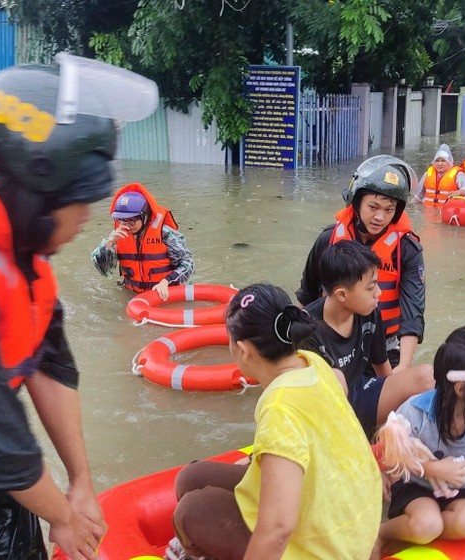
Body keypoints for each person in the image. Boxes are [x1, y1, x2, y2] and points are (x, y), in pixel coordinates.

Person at [0, 55, 158, 559]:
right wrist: (63, 518)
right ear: (34, 192)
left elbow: (50, 363)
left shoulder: (22, 258)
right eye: (80, 201)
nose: (90, 217)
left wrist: (81, 483)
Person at [171, 284, 381, 560]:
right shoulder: (312, 362)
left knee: (191, 511)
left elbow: (279, 527)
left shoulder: (280, 406)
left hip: (326, 550)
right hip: (351, 524)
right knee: (191, 478)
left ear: (244, 351)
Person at [372, 326, 465, 558]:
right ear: (462, 388)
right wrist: (431, 468)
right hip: (416, 486)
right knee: (428, 525)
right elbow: (392, 453)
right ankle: (383, 534)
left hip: (460, 491)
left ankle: (418, 530)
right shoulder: (415, 411)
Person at [296, 155, 425, 371]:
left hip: (385, 345)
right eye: (373, 207)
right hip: (330, 342)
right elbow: (307, 296)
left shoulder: (407, 249)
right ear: (356, 203)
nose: (380, 217)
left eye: (389, 210)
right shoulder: (328, 240)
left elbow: (413, 313)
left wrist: (403, 367)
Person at [302, 240, 434, 437]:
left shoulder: (369, 313)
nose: (379, 293)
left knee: (427, 376)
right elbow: (310, 402)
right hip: (330, 413)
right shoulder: (306, 331)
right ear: (342, 295)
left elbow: (384, 372)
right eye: (371, 287)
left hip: (361, 392)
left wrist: (394, 414)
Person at [92, 182, 194, 300]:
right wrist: (108, 244)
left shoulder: (164, 232)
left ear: (144, 216)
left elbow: (188, 264)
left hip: (164, 294)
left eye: (131, 221)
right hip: (133, 294)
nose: (126, 226)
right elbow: (105, 272)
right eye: (121, 220)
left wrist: (167, 281)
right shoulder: (116, 236)